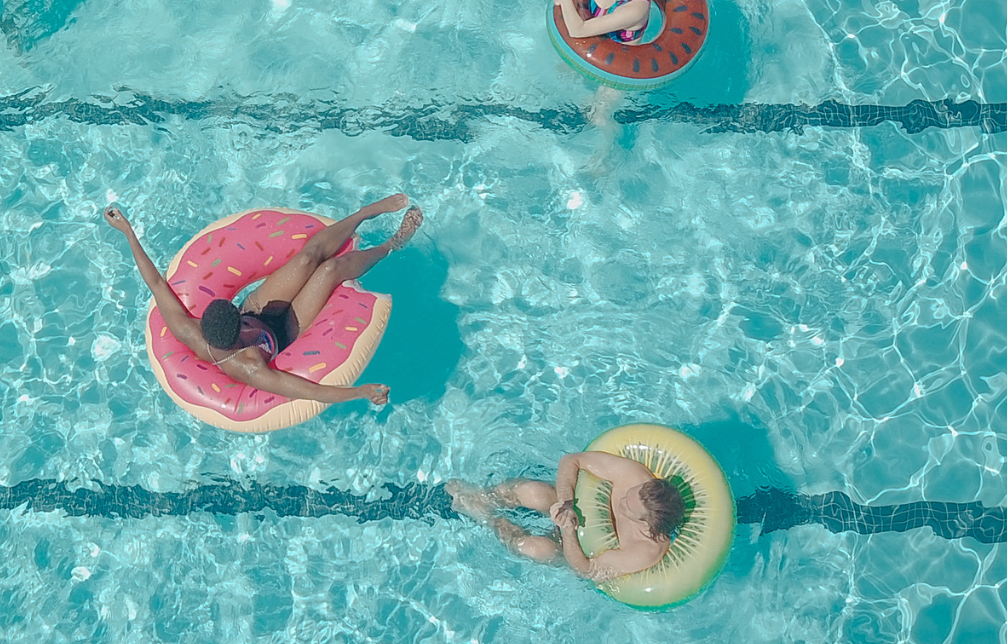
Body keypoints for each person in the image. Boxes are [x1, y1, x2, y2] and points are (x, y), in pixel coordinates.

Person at [101, 195, 423, 413]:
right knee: (330, 270)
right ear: (239, 330)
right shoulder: (249, 367)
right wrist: (361, 392)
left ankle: (366, 213)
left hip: (261, 308)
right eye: (241, 320)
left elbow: (156, 284)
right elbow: (307, 391)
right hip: (284, 333)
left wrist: (128, 232)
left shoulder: (193, 328)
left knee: (309, 258)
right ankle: (391, 245)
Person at [446, 451, 688, 581]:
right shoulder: (633, 477)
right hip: (576, 504)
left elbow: (586, 570)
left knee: (536, 549)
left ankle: (489, 520)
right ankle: (481, 498)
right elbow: (572, 460)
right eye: (627, 495)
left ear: (646, 524)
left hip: (577, 546)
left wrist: (568, 530)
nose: (622, 499)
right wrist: (565, 501)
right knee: (533, 493)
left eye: (627, 506)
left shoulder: (644, 550)